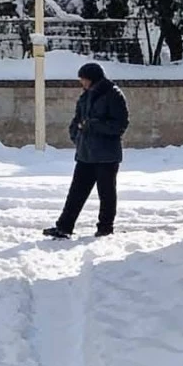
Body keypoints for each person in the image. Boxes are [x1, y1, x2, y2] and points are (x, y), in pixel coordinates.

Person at [43, 62, 129, 239]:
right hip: (86, 153)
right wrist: (76, 135)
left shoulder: (113, 95)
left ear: (93, 78)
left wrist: (91, 126)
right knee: (76, 192)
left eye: (84, 79)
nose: (81, 82)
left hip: (106, 155)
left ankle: (105, 228)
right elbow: (78, 120)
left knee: (106, 194)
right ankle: (64, 226)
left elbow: (119, 125)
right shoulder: (86, 96)